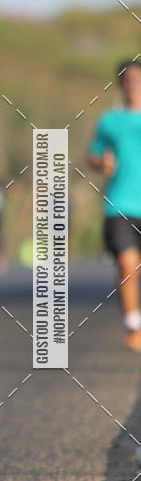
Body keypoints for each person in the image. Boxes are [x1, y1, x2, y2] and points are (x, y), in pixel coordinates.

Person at [89, 59, 141, 351]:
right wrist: (101, 162)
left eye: (137, 78)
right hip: (119, 204)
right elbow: (94, 155)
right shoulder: (110, 120)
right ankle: (133, 326)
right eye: (127, 79)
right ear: (120, 84)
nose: (132, 84)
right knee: (127, 264)